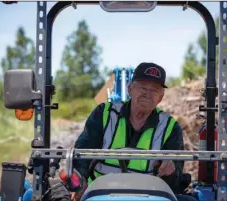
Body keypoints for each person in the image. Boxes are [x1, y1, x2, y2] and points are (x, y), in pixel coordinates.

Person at [71, 62, 197, 201]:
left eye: (154, 89)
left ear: (160, 97)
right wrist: (80, 180)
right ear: (130, 89)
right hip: (101, 194)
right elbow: (83, 152)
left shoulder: (170, 127)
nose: (147, 94)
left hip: (148, 196)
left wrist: (170, 172)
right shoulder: (104, 114)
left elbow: (175, 178)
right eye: (143, 87)